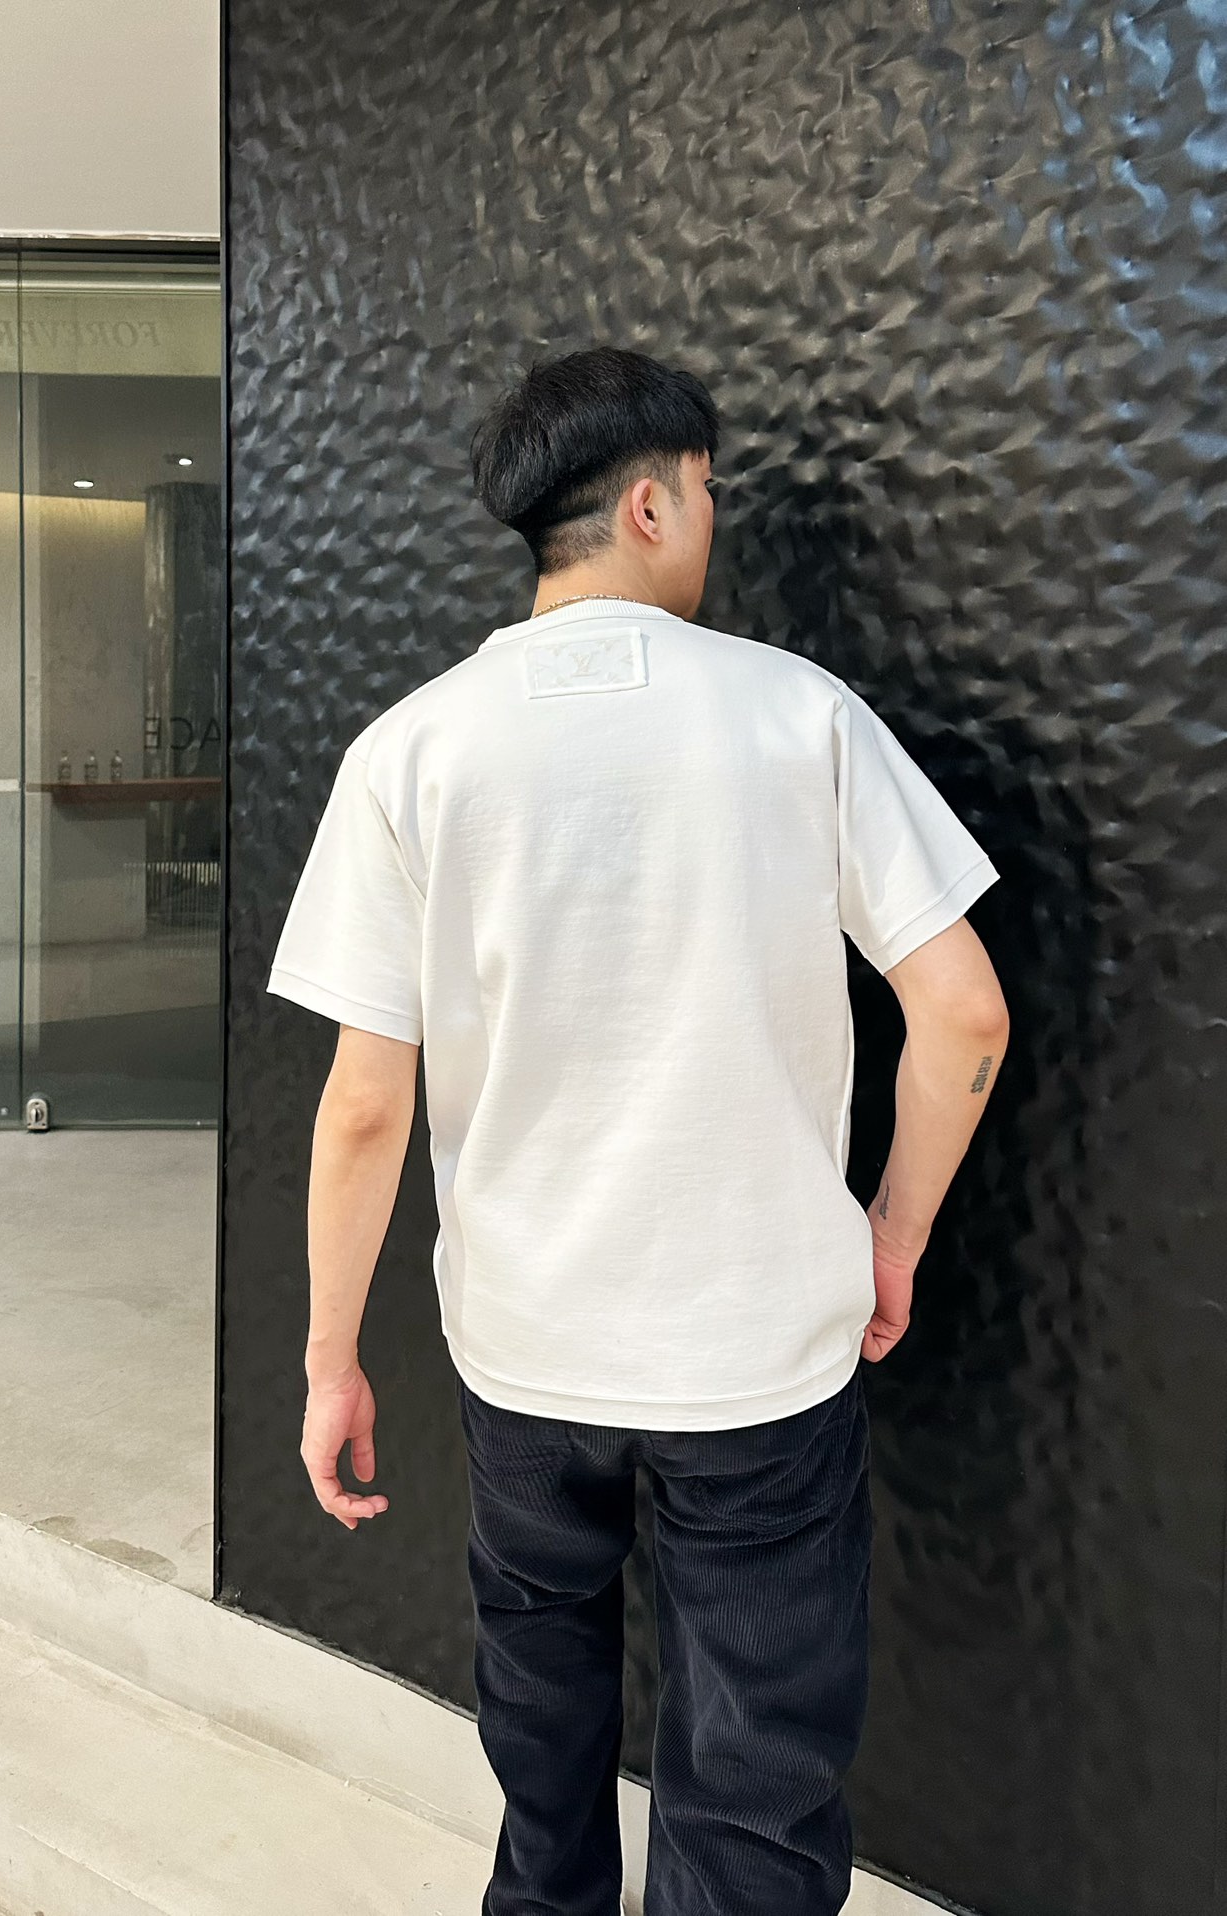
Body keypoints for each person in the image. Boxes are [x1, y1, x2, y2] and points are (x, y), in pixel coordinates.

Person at [265, 346, 1010, 1916]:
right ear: (651, 504)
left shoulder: (411, 750)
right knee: (754, 1768)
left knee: (539, 1709)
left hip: (525, 1344)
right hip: (759, 1345)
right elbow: (963, 1015)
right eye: (710, 492)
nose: (713, 521)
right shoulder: (797, 716)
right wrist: (889, 1236)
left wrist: (333, 1357)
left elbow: (364, 1104)